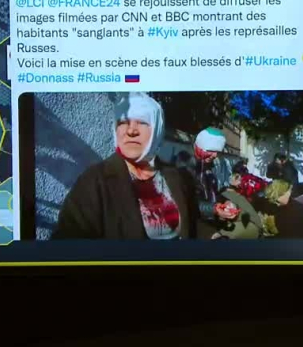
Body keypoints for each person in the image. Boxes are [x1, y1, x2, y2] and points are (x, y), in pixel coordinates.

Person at [52, 92, 197, 239]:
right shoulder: (94, 183)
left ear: (157, 130)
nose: (131, 131)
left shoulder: (177, 177)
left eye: (142, 122)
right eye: (122, 122)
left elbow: (195, 226)